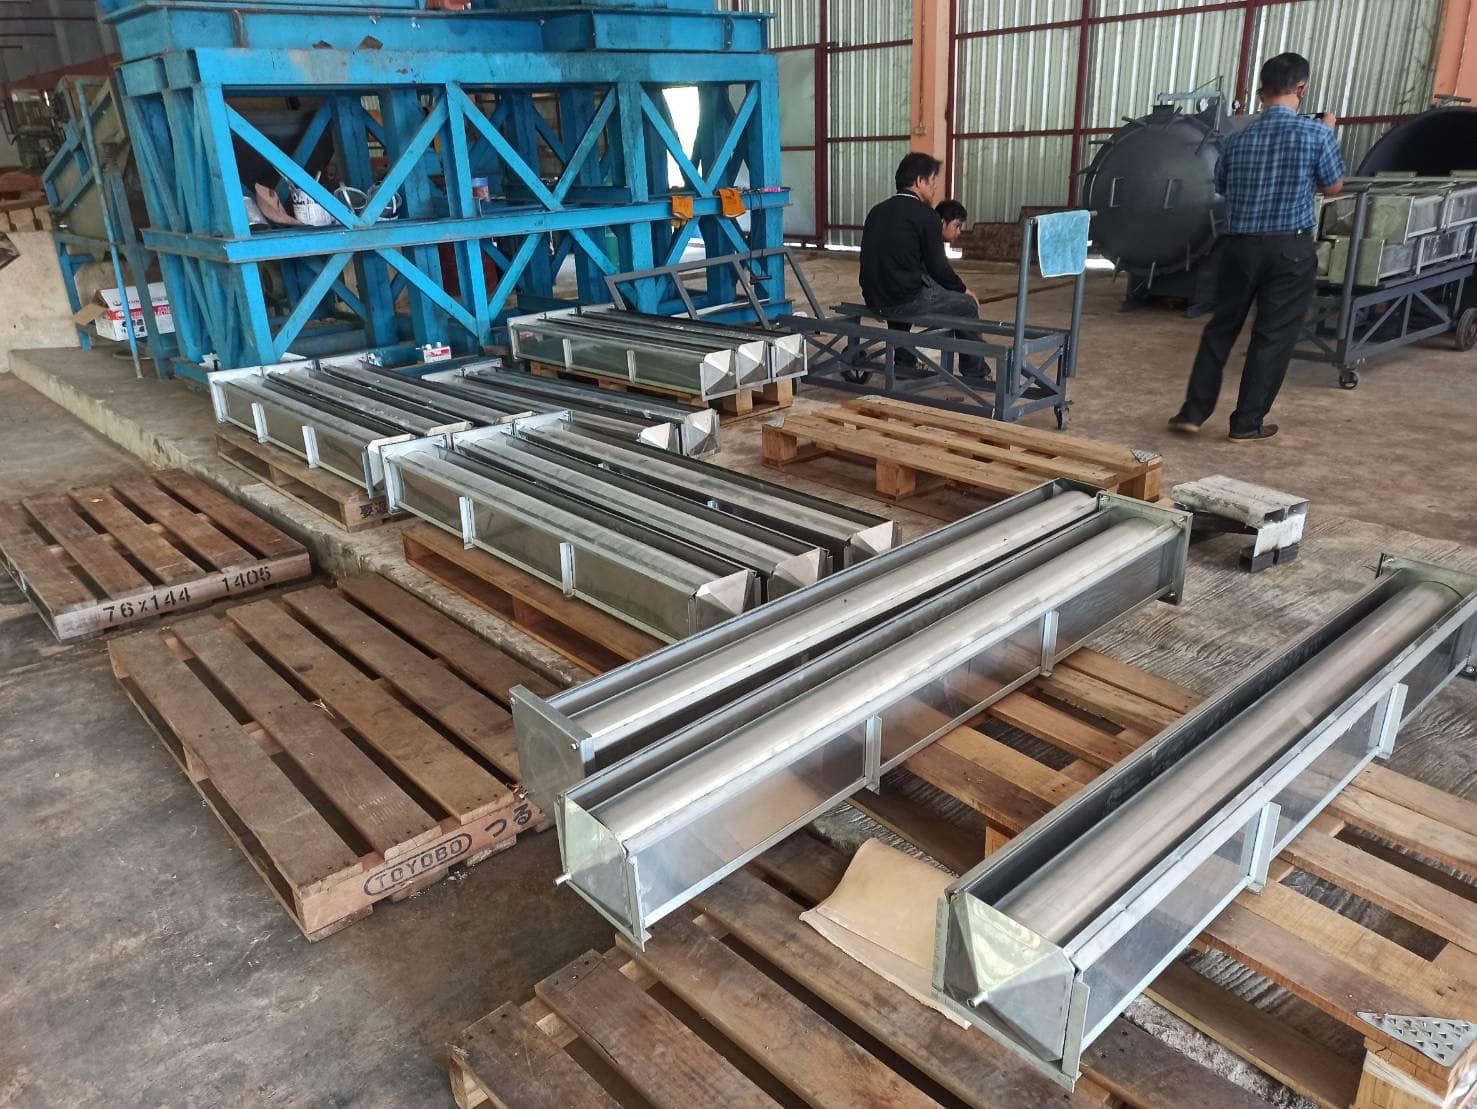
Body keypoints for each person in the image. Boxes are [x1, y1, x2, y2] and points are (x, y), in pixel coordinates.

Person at [1169, 52, 1344, 442]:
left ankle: (1192, 412)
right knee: (1272, 335)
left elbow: (1223, 186)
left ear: (1261, 92)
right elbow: (1333, 185)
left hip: (1239, 248)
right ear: (1301, 88)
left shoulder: (1237, 139)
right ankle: (1246, 423)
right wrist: (1329, 131)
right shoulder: (1316, 134)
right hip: (1289, 250)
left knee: (1221, 328)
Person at [860, 154, 981, 376]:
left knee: (903, 284)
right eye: (933, 181)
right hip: (900, 301)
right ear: (919, 181)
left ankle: (904, 363)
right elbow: (939, 268)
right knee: (967, 306)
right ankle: (976, 372)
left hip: (874, 298)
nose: (935, 187)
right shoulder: (926, 216)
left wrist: (875, 300)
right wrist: (964, 290)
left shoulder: (876, 211)